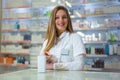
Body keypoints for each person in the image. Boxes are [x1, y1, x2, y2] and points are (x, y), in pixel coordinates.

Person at [40, 5, 86, 70]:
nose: (61, 20)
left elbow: (79, 64)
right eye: (57, 17)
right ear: (53, 21)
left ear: (68, 20)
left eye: (64, 17)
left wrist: (53, 66)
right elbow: (41, 65)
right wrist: (45, 59)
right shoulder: (47, 41)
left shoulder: (75, 38)